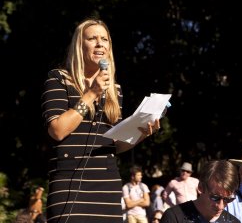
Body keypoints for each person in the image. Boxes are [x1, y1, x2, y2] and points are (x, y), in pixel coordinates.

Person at [41, 18, 161, 223]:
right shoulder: (59, 78)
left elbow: (114, 145)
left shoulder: (115, 90)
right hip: (69, 183)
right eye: (93, 39)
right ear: (80, 45)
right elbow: (57, 130)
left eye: (104, 39)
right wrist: (91, 94)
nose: (100, 44)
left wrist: (141, 133)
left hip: (107, 185)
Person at [160, 160, 240, 223]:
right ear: (201, 188)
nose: (221, 206)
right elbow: (165, 194)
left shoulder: (233, 221)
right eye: (215, 197)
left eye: (228, 199)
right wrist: (171, 204)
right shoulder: (173, 217)